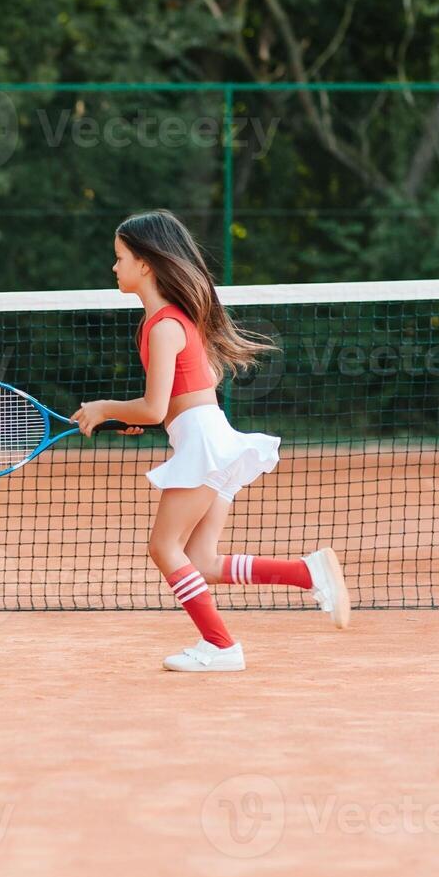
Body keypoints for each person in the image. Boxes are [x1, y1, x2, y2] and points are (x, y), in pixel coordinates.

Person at [71, 211, 351, 673]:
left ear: (146, 264)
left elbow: (156, 408)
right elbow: (174, 402)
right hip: (209, 438)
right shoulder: (175, 319)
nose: (114, 267)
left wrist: (106, 406)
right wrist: (129, 416)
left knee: (164, 548)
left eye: (120, 258)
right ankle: (308, 573)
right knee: (200, 562)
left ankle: (221, 646)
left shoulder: (162, 325)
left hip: (202, 445)